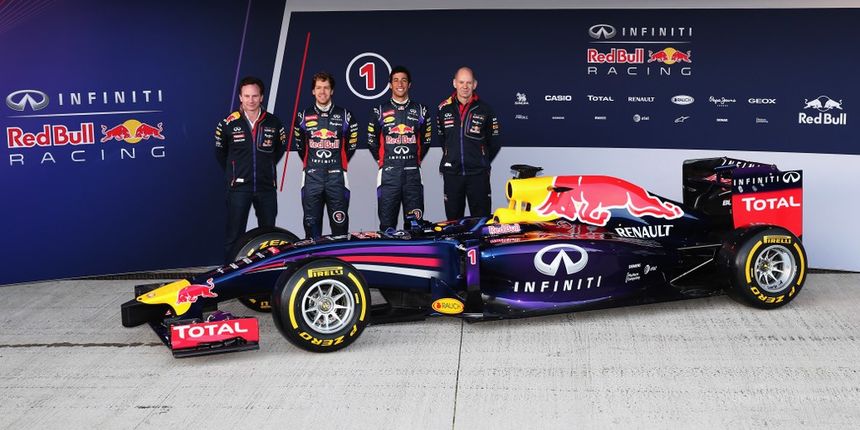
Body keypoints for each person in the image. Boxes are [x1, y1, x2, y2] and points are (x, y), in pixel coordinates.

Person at [215, 76, 287, 262]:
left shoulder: (274, 122)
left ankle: (267, 270)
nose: (251, 100)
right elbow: (221, 153)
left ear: (261, 97)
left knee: (269, 236)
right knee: (234, 236)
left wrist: (266, 168)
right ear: (240, 97)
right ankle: (231, 274)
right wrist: (236, 172)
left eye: (255, 96)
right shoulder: (227, 123)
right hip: (238, 188)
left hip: (266, 188)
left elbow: (279, 150)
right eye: (246, 96)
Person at [293, 71, 359, 238]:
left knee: (340, 227)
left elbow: (351, 146)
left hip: (337, 177)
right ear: (313, 91)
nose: (322, 92)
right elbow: (301, 147)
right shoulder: (303, 116)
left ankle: (340, 254)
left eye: (326, 88)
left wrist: (337, 164)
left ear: (332, 90)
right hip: (311, 178)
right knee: (311, 229)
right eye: (318, 88)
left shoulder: (345, 116)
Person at [367, 66, 432, 231]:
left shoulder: (421, 111)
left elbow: (426, 140)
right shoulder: (379, 111)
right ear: (390, 85)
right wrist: (383, 160)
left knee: (415, 226)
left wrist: (415, 160)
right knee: (387, 226)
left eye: (403, 80)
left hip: (413, 175)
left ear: (409, 84)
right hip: (388, 175)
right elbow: (371, 141)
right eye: (395, 80)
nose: (400, 84)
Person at [436, 66, 501, 220]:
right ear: (454, 83)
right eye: (461, 82)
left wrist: (481, 159)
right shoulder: (443, 109)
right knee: (453, 222)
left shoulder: (485, 109)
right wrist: (452, 156)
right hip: (452, 174)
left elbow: (495, 141)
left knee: (481, 221)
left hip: (478, 175)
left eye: (469, 83)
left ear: (475, 84)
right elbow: (443, 139)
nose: (465, 86)